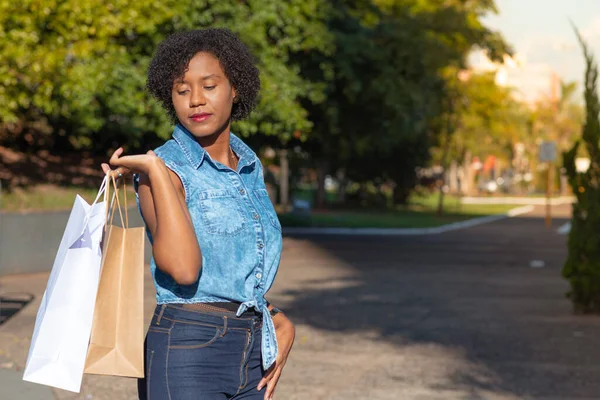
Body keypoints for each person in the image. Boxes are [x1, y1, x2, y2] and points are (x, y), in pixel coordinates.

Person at [101, 28, 295, 400]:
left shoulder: (249, 165)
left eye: (209, 85)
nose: (195, 100)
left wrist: (274, 314)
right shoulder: (162, 170)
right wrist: (155, 170)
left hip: (254, 352)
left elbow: (235, 265)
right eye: (182, 89)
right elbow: (185, 270)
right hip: (187, 350)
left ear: (234, 88)